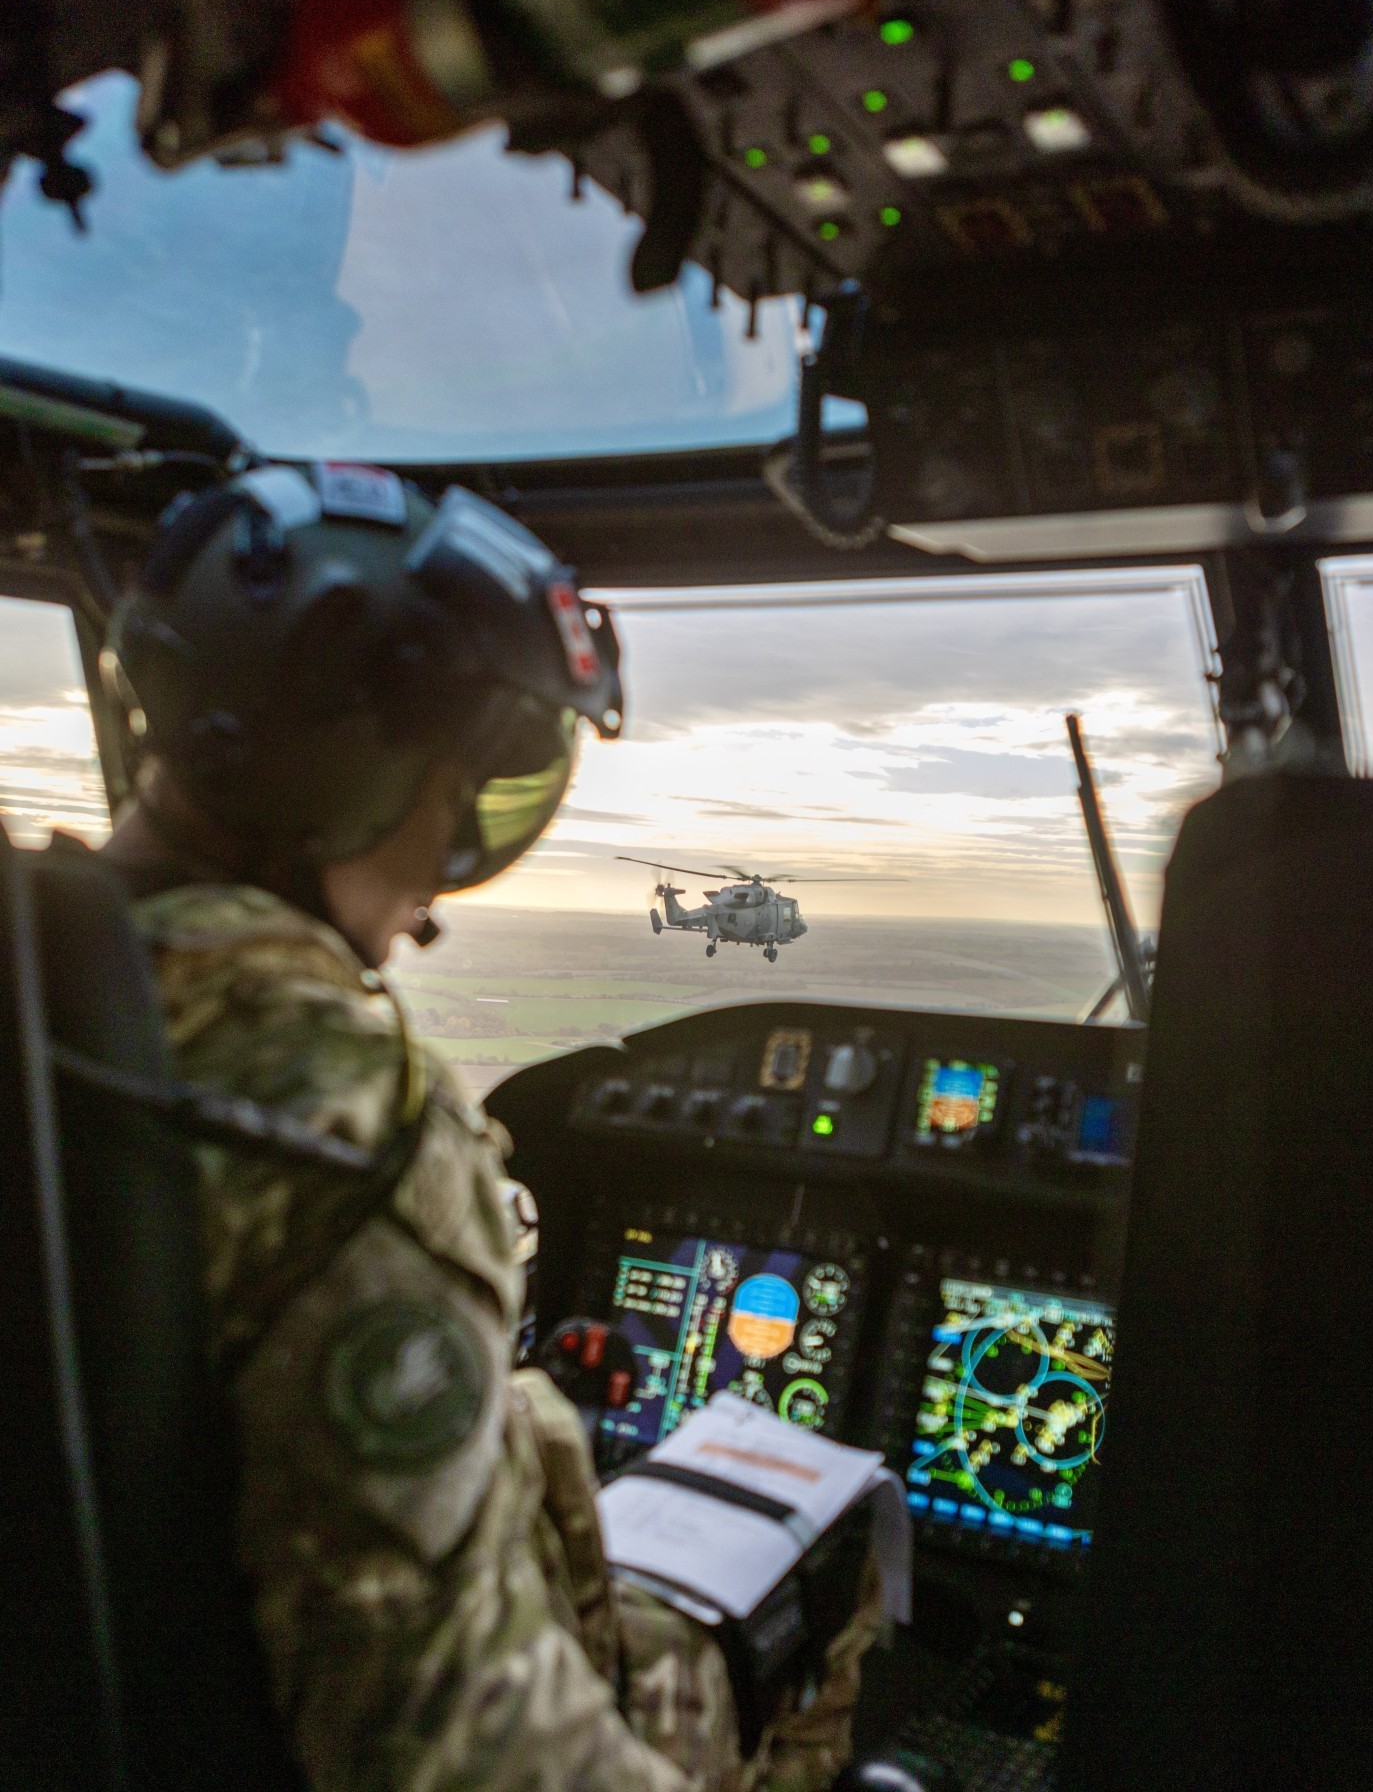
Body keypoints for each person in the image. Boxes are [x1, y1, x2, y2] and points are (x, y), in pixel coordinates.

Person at [100, 463, 879, 1792]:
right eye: (473, 800)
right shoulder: (340, 1115)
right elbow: (459, 1747)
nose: (453, 871)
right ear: (362, 771)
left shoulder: (64, 993)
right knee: (819, 1585)